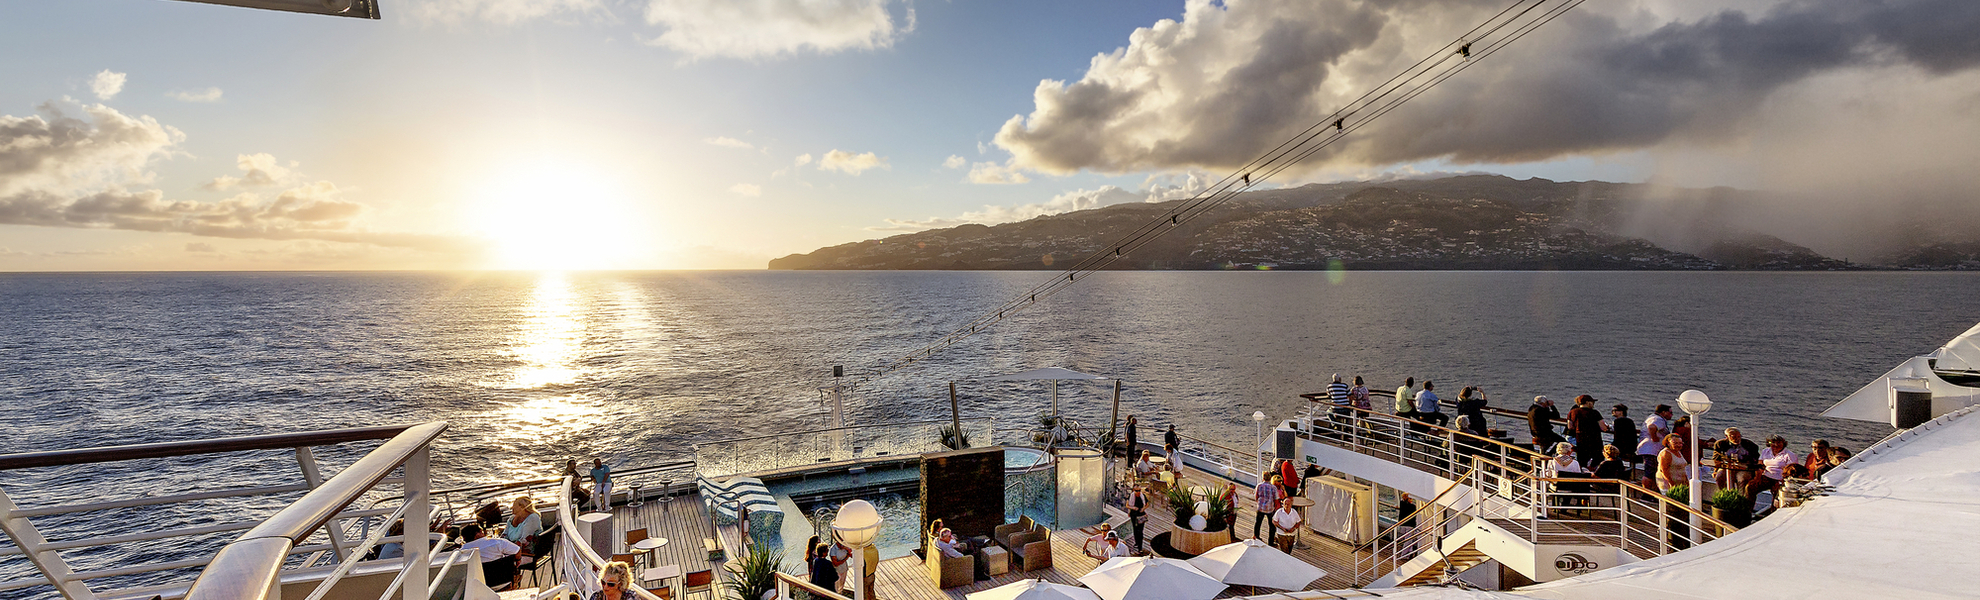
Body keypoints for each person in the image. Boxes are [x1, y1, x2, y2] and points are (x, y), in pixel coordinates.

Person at [459, 524, 520, 589]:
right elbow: (517, 550)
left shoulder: (462, 553)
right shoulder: (498, 542)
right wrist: (518, 560)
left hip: (481, 586)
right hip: (504, 581)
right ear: (477, 534)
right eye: (482, 532)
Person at [1565, 395, 1608, 470]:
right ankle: (1594, 473)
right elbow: (1603, 428)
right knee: (1598, 458)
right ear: (1588, 402)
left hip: (1580, 440)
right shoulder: (1595, 413)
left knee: (1582, 460)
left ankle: (1583, 474)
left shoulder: (1572, 412)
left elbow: (1570, 426)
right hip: (1595, 440)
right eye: (1592, 402)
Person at [1713, 428, 1760, 492]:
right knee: (1719, 476)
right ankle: (1727, 495)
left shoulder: (1750, 445)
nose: (1737, 439)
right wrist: (1715, 471)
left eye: (1739, 436)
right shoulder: (1720, 444)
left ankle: (1740, 498)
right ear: (1727, 437)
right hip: (1727, 467)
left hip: (1744, 468)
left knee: (1742, 478)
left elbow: (1755, 461)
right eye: (1733, 437)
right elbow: (1716, 459)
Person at [1636, 405, 1672, 483]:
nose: (1671, 415)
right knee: (1650, 473)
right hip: (1652, 450)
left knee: (1651, 472)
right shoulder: (1658, 419)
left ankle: (1649, 492)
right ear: (1664, 412)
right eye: (1670, 413)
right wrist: (1654, 438)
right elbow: (1652, 427)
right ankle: (1647, 493)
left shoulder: (1652, 417)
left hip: (1647, 449)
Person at [1609, 405, 1639, 479]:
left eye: (1615, 410)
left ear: (1621, 412)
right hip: (1631, 447)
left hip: (1622, 447)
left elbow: (1618, 437)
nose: (1613, 412)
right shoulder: (1630, 421)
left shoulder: (1617, 421)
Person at [1253, 474, 1283, 540]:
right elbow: (1276, 499)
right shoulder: (1273, 487)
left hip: (1260, 508)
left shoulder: (1259, 485)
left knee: (1258, 523)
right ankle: (1271, 541)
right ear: (1270, 479)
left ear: (1263, 478)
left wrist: (1259, 503)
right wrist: (1275, 507)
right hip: (1270, 509)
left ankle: (1256, 537)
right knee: (1272, 526)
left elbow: (1256, 496)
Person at [1125, 485, 1149, 550]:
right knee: (1135, 529)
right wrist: (1133, 508)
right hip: (1134, 515)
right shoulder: (1131, 496)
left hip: (1141, 515)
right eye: (1136, 491)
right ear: (1133, 490)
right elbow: (1127, 505)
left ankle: (1140, 547)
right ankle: (1137, 542)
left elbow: (1147, 504)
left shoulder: (1143, 496)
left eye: (1139, 490)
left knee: (1140, 531)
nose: (1138, 492)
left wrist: (1143, 509)